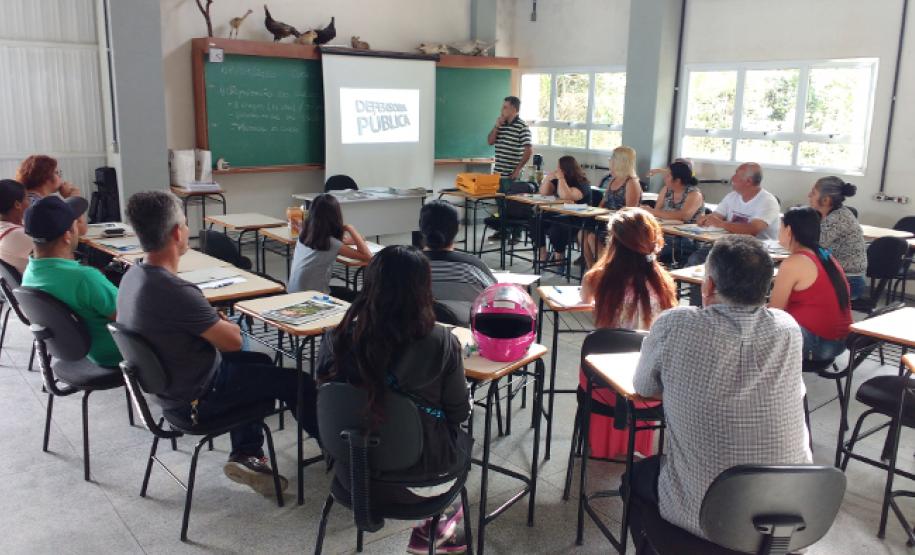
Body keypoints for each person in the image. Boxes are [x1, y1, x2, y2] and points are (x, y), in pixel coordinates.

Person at [117, 190, 318, 494]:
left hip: (169, 393)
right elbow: (233, 341)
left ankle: (247, 453)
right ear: (177, 233)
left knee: (260, 364)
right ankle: (340, 455)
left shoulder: (132, 276)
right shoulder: (176, 291)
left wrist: (209, 322)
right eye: (185, 224)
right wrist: (220, 322)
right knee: (298, 381)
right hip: (198, 400)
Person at [629, 234, 811, 542]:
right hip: (787, 521)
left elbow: (644, 387)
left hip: (707, 517)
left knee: (634, 478)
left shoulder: (676, 323)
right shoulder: (788, 328)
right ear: (767, 286)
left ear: (709, 285)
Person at [315, 245, 472, 554]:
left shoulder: (336, 338)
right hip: (422, 482)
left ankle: (434, 528)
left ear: (370, 284)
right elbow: (458, 413)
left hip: (352, 476)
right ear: (423, 289)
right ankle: (438, 529)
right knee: (464, 438)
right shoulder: (441, 342)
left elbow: (327, 402)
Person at [579, 208, 677, 459]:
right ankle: (637, 445)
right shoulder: (664, 284)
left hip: (601, 382)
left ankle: (601, 442)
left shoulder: (597, 278)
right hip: (648, 385)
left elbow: (584, 300)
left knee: (594, 347)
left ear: (613, 243)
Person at [21, 196, 120, 367]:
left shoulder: (30, 272)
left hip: (80, 352)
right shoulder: (84, 278)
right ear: (67, 235)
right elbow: (131, 317)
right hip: (114, 354)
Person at [769, 207, 852, 361]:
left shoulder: (794, 262)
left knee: (751, 326)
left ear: (789, 230)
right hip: (838, 341)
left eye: (780, 228)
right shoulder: (825, 255)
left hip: (817, 344)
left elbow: (774, 312)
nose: (778, 232)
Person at [420, 200, 496, 325]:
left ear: (421, 227)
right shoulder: (474, 267)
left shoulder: (406, 267)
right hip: (465, 334)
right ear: (458, 227)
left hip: (414, 334)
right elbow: (495, 299)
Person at [288, 193, 372, 298]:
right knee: (357, 296)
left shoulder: (305, 233)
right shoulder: (331, 243)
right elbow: (368, 257)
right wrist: (350, 228)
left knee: (344, 290)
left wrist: (353, 240)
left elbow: (338, 243)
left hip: (293, 293)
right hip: (312, 297)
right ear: (335, 216)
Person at [582, 146, 642, 268]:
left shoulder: (631, 183)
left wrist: (611, 215)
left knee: (592, 237)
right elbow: (603, 202)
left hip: (621, 226)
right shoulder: (613, 180)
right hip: (605, 220)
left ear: (620, 161)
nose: (610, 161)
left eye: (612, 158)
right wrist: (595, 212)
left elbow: (630, 211)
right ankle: (591, 269)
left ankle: (606, 269)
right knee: (582, 233)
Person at [808, 176, 867, 300]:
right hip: (837, 275)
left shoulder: (837, 219)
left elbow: (813, 247)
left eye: (813, 193)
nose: (809, 195)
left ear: (826, 200)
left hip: (848, 280)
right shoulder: (832, 214)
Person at [487, 95, 533, 243]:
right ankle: (503, 231)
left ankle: (516, 234)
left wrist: (518, 169)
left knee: (514, 205)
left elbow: (528, 150)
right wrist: (496, 126)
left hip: (512, 175)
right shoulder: (501, 125)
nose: (502, 110)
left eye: (505, 107)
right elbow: (490, 141)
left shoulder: (522, 127)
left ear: (513, 109)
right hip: (498, 173)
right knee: (500, 204)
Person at [642, 161, 704, 265]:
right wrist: (650, 212)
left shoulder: (694, 194)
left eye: (668, 176)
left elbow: (683, 216)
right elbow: (656, 211)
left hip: (685, 239)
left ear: (677, 180)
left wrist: (653, 212)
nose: (664, 178)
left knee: (648, 251)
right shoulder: (666, 190)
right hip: (665, 233)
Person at [535, 155, 591, 264]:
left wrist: (561, 178)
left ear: (565, 169)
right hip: (560, 214)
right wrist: (548, 178)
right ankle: (543, 254)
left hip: (577, 218)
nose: (557, 170)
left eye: (559, 167)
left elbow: (566, 196)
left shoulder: (582, 182)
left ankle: (559, 256)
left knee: (556, 227)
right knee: (536, 219)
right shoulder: (560, 180)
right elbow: (543, 192)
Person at [15, 154, 81, 204]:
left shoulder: (29, 199)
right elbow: (73, 219)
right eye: (57, 172)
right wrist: (74, 199)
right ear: (45, 175)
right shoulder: (40, 203)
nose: (60, 177)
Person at [0, 179, 33, 274]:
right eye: (27, 198)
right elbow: (56, 253)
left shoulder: (4, 229)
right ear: (17, 205)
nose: (30, 202)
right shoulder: (17, 235)